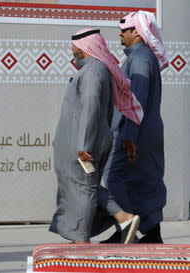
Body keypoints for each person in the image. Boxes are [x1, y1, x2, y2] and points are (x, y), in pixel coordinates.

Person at [49, 29, 143, 244]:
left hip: (83, 144)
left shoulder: (93, 71)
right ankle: (120, 220)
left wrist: (84, 144)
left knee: (82, 189)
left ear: (84, 47)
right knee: (82, 187)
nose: (72, 50)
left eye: (74, 46)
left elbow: (91, 108)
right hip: (81, 142)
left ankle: (84, 238)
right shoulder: (95, 70)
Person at [102, 11, 169, 244]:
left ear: (137, 33)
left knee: (114, 178)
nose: (120, 34)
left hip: (135, 133)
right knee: (143, 181)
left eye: (125, 30)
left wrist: (129, 136)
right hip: (145, 131)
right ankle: (151, 233)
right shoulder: (141, 56)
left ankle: (127, 228)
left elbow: (135, 101)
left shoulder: (139, 59)